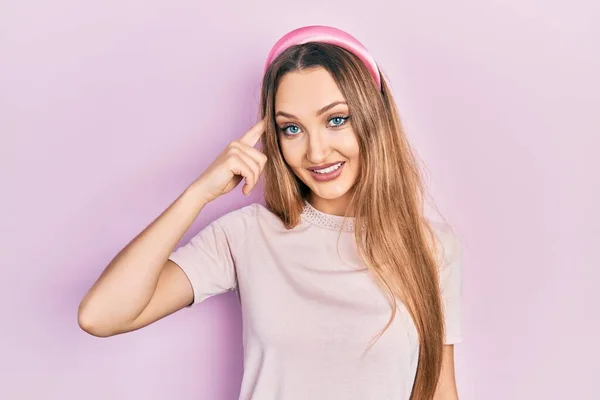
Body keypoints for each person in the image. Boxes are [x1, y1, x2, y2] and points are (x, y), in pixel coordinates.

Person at [78, 25, 463, 400]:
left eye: (336, 120)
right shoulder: (245, 235)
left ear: (373, 118)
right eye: (291, 129)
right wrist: (197, 194)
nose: (316, 153)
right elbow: (102, 315)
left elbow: (439, 391)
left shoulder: (430, 245)